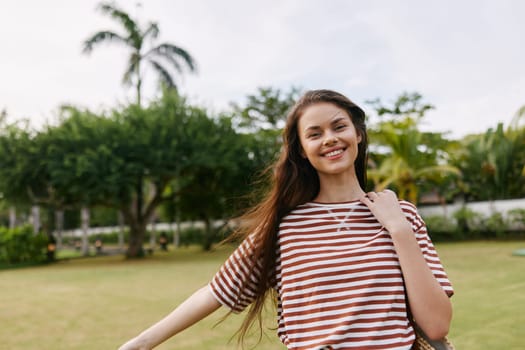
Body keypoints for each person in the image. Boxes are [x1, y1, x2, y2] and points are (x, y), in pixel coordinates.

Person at [118, 89, 453, 350]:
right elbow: (218, 291)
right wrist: (142, 343)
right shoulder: (285, 227)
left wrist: (398, 229)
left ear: (358, 134)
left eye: (339, 127)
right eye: (315, 133)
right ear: (302, 150)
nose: (330, 139)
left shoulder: (402, 214)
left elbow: (437, 325)